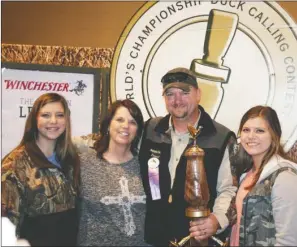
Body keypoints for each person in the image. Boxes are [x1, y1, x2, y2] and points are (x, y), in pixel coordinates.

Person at [139, 67, 238, 246]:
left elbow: (230, 189)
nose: (177, 100)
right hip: (154, 238)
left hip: (197, 240)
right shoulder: (150, 131)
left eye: (184, 92)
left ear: (198, 94)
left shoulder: (221, 137)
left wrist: (217, 220)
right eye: (170, 94)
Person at [1, 93, 80, 246]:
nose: (53, 121)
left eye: (59, 115)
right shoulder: (15, 164)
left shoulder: (70, 159)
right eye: (45, 115)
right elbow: (6, 225)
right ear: (34, 119)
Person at [77, 99, 148, 246]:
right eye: (119, 119)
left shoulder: (145, 166)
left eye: (133, 122)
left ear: (138, 131)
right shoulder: (84, 163)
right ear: (108, 125)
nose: (126, 126)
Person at [229, 105, 297, 246]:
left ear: (274, 135)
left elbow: (289, 240)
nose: (251, 136)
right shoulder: (247, 174)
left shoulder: (284, 177)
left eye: (259, 131)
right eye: (246, 130)